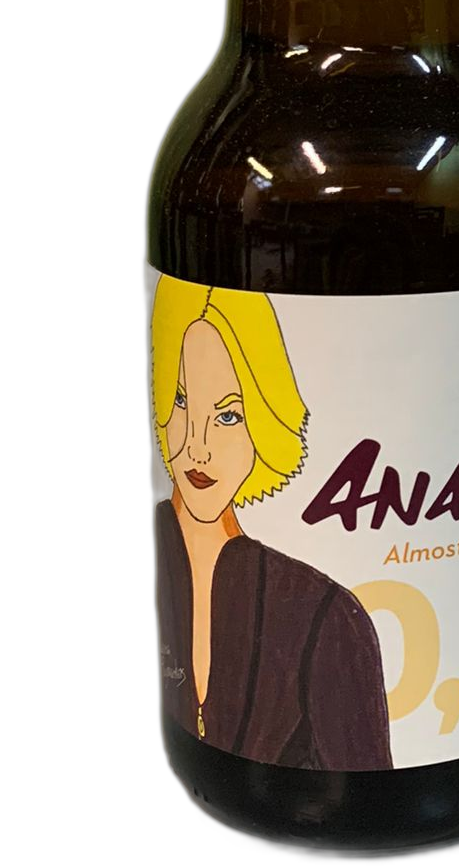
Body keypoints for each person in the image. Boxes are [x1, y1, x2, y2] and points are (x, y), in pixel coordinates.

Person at [150, 274, 393, 771]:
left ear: (266, 423)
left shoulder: (324, 616)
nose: (196, 446)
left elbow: (371, 789)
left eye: (228, 416)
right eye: (180, 401)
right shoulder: (161, 545)